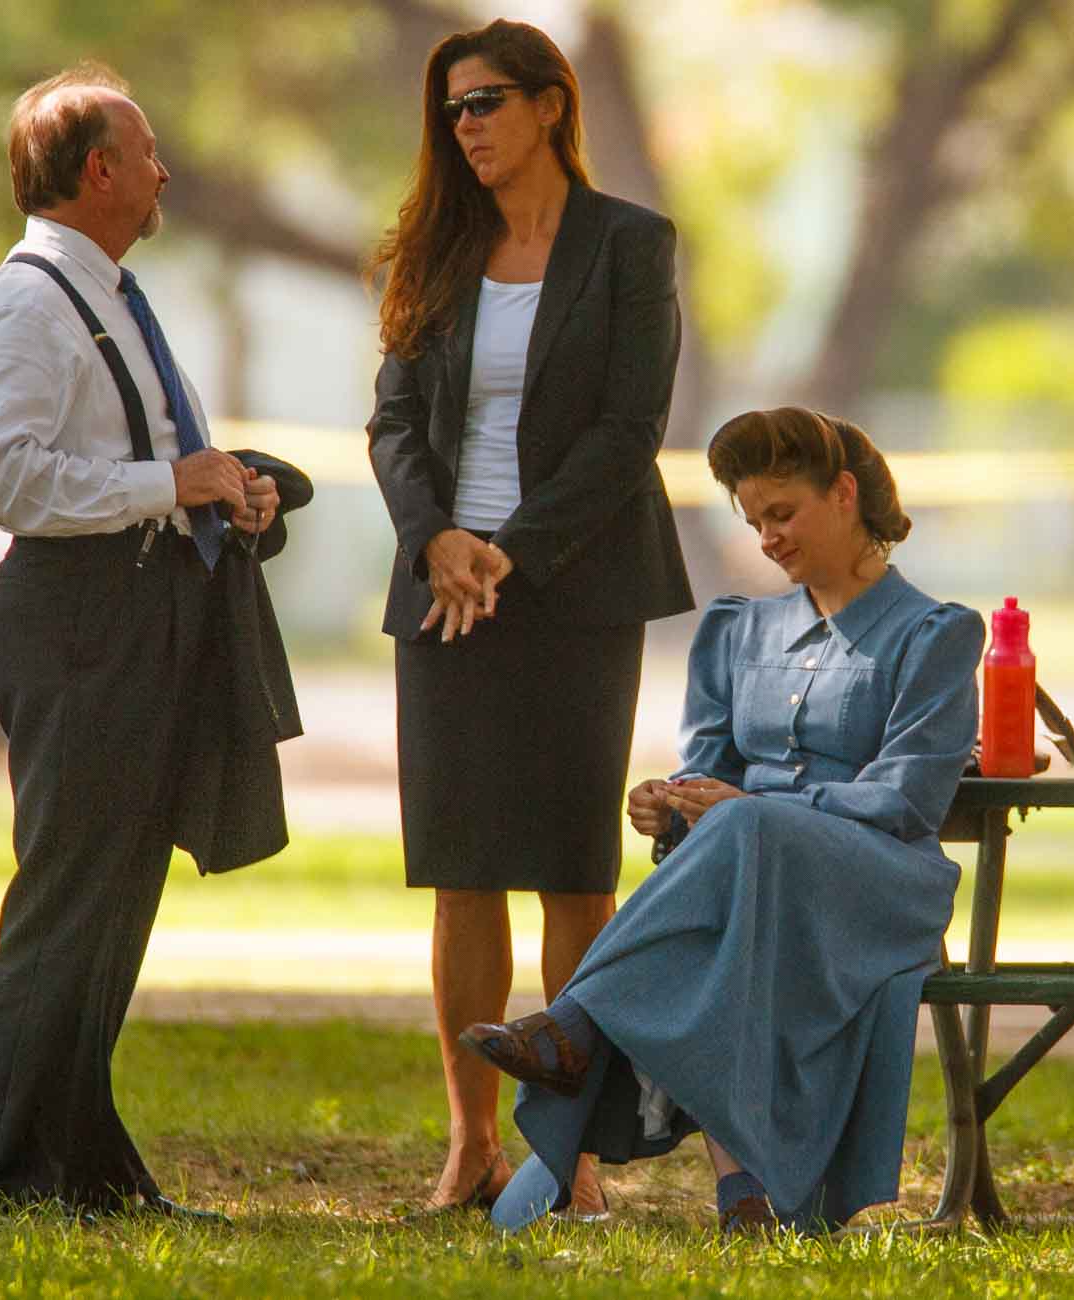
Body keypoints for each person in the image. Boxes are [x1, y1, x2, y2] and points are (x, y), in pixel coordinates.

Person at [463, 407, 986, 1233]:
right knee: (733, 870)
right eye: (754, 521)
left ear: (844, 494)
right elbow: (707, 775)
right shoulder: (737, 628)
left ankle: (578, 1026)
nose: (768, 537)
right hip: (747, 878)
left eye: (784, 514)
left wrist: (757, 810)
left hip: (878, 886)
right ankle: (743, 1197)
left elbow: (908, 799)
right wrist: (668, 805)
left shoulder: (937, 633)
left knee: (745, 835)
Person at [364, 18, 692, 1217]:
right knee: (462, 873)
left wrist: (510, 551)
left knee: (570, 871)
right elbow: (394, 425)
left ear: (552, 105)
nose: (468, 127)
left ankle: (574, 1153)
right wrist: (436, 541)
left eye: (488, 101)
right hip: (444, 593)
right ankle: (471, 1144)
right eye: (452, 109)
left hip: (576, 587)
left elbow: (627, 429)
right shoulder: (432, 247)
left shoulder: (630, 245)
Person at [0, 62, 289, 1221]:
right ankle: (16, 1179)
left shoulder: (110, 298)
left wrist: (221, 489)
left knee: (116, 900)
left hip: (150, 614)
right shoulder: (28, 301)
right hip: (81, 622)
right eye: (145, 155)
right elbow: (0, 477)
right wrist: (165, 484)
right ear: (99, 170)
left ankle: (85, 1170)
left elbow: (147, 459)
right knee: (70, 895)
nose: (162, 173)